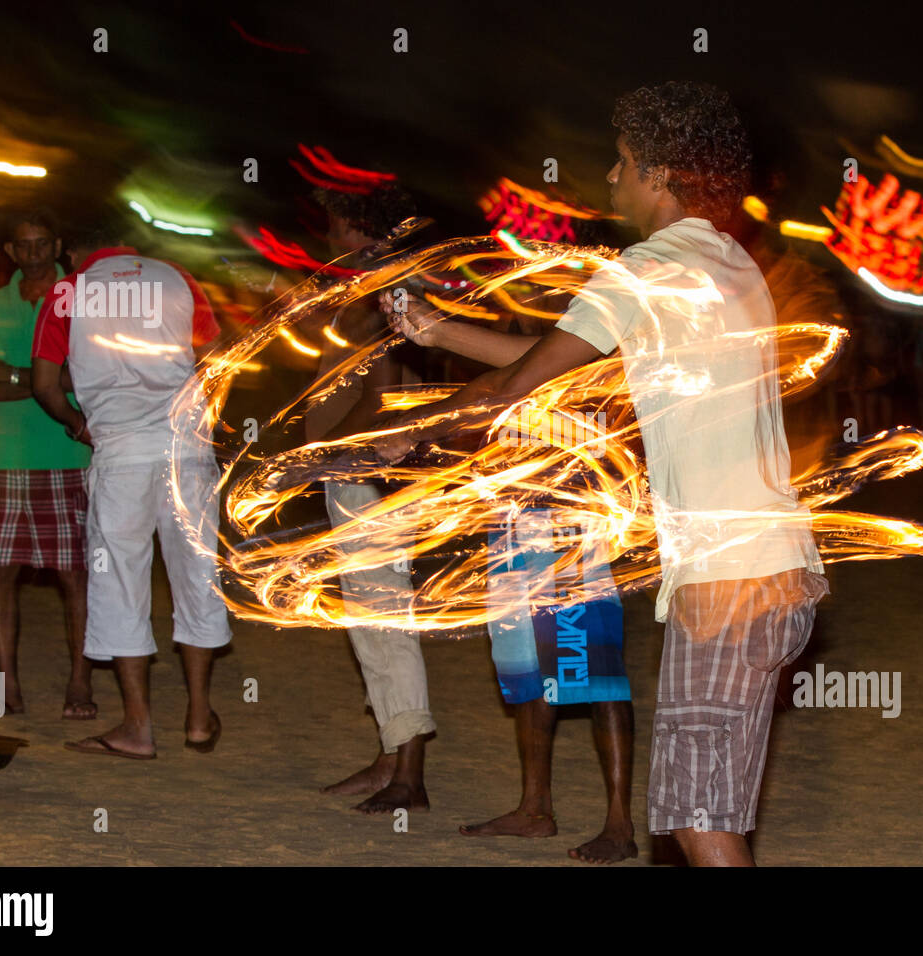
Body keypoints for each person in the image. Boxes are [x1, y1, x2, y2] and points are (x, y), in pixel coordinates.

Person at [379, 81, 828, 866]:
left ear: (659, 175)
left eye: (622, 164)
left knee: (699, 815)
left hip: (728, 582)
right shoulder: (727, 267)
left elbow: (521, 386)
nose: (611, 179)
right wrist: (441, 328)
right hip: (775, 571)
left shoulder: (644, 269)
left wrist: (410, 437)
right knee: (704, 805)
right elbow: (560, 366)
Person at [388, 289, 637, 863]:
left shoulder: (594, 363)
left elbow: (518, 383)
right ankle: (534, 808)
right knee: (528, 674)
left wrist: (423, 419)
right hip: (513, 535)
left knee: (597, 679)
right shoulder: (521, 368)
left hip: (568, 536)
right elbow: (486, 410)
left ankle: (620, 824)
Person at [30, 222, 230, 758]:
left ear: (73, 250)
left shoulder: (68, 290)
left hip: (120, 455)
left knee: (119, 582)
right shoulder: (178, 278)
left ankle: (138, 727)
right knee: (197, 577)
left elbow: (44, 384)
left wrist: (79, 424)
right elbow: (217, 358)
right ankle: (196, 715)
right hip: (186, 451)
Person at [305, 183, 436, 812]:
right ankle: (390, 758)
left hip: (369, 474)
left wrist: (320, 451)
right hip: (358, 471)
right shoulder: (377, 284)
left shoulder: (387, 286)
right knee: (370, 620)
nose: (327, 238)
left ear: (357, 226)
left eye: (334, 225)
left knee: (386, 620)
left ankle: (409, 774)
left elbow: (382, 396)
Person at [0, 208, 94, 718]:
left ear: (58, 245)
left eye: (43, 243)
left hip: (68, 450)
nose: (35, 252)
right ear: (11, 253)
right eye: (25, 245)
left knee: (75, 576)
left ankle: (80, 685)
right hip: (7, 453)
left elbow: (84, 379)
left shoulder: (82, 296)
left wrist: (19, 378)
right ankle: (6, 689)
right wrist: (41, 379)